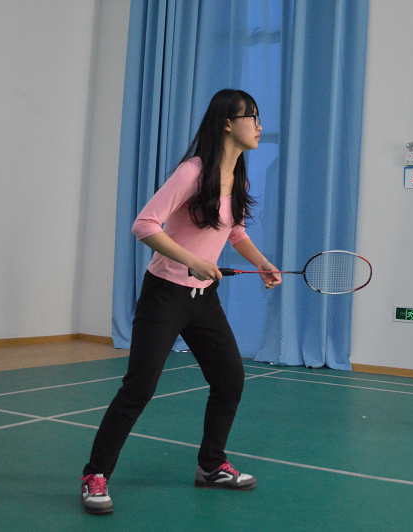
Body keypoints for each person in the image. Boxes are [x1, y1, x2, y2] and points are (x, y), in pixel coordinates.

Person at [80, 89, 282, 515]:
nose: (259, 126)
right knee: (139, 388)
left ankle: (211, 466)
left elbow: (234, 231)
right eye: (252, 117)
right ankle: (95, 475)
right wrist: (192, 260)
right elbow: (144, 224)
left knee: (229, 380)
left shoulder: (238, 177)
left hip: (203, 301)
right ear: (227, 123)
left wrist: (261, 262)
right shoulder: (193, 172)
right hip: (165, 295)